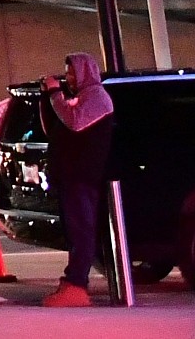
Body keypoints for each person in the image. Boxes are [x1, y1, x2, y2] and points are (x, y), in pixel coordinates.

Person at [39, 52, 115, 308]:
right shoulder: (79, 99)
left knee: (82, 231)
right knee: (74, 232)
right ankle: (72, 279)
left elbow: (74, 122)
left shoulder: (96, 98)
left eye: (72, 72)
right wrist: (47, 96)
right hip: (69, 177)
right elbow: (55, 127)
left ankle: (77, 284)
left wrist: (54, 95)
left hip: (82, 177)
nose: (68, 77)